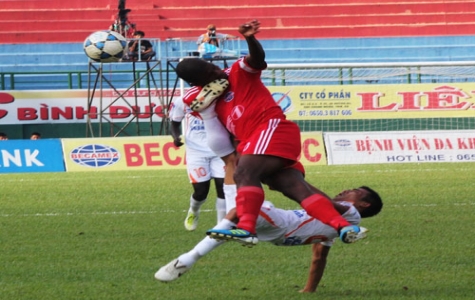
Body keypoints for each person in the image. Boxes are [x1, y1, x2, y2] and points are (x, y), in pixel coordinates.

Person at [175, 19, 363, 247]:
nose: (216, 70)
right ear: (199, 82)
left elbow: (257, 60)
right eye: (209, 72)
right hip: (255, 143)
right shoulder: (205, 101)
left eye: (212, 66)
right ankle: (344, 226)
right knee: (294, 189)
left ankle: (246, 227)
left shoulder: (236, 72)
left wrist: (250, 38)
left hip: (272, 130)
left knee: (243, 173)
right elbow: (220, 137)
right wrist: (207, 108)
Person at [155, 185, 383, 293]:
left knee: (242, 207)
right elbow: (318, 258)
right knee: (239, 216)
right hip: (279, 234)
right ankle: (240, 231)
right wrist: (308, 290)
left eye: (354, 191)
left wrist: (293, 181)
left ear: (363, 205)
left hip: (282, 225)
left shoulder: (349, 213)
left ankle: (187, 259)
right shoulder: (337, 225)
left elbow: (315, 197)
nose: (345, 190)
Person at [169, 96, 227, 230]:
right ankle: (193, 211)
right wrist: (175, 137)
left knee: (223, 188)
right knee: (201, 192)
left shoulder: (221, 96)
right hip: (196, 151)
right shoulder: (183, 100)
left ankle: (221, 226)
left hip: (220, 149)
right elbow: (174, 123)